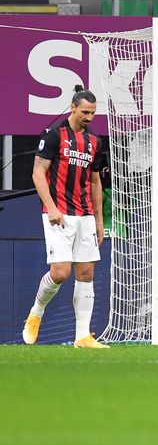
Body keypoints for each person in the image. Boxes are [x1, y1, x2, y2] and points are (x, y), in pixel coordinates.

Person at [22, 86, 109, 348]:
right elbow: (38, 173)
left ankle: (82, 336)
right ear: (73, 108)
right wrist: (50, 207)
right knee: (60, 273)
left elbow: (95, 182)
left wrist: (99, 220)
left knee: (86, 273)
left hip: (85, 215)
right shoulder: (53, 135)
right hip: (58, 213)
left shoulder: (95, 142)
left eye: (93, 113)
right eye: (85, 112)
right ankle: (36, 313)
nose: (89, 117)